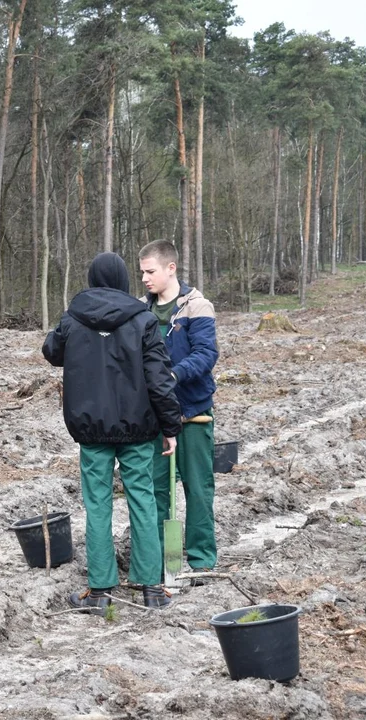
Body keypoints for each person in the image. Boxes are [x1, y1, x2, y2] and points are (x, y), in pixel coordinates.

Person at [42, 252, 182, 612]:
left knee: (98, 507)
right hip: (137, 430)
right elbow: (159, 380)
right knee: (143, 501)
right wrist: (171, 426)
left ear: (91, 279)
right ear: (123, 280)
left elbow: (52, 351)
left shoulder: (73, 317)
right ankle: (152, 588)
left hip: (91, 432)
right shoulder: (144, 320)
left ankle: (100, 592)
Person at [139, 239, 219, 582]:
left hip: (193, 414)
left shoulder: (197, 307)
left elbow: (206, 354)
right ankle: (162, 563)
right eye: (141, 272)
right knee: (157, 491)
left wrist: (171, 376)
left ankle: (201, 560)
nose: (144, 278)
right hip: (155, 419)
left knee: (199, 489)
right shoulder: (140, 311)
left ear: (171, 268)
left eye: (150, 271)